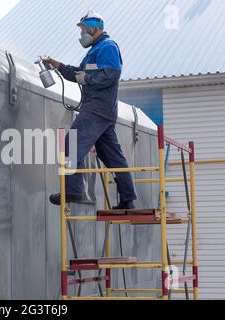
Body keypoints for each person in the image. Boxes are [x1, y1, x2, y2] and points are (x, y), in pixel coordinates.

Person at [44, 11, 137, 210]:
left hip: (97, 107)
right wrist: (57, 65)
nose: (82, 35)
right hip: (103, 110)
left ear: (95, 28)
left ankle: (74, 189)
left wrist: (88, 79)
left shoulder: (107, 46)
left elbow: (112, 73)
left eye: (84, 30)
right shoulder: (94, 51)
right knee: (112, 156)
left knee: (71, 143)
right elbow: (78, 73)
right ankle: (128, 199)